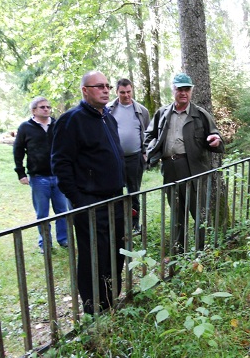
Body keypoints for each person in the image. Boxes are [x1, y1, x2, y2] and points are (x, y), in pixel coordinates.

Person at [51, 71, 126, 315]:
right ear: (85, 90)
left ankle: (111, 299)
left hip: (114, 198)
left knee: (116, 251)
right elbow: (61, 164)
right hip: (89, 202)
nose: (106, 90)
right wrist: (79, 199)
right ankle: (95, 308)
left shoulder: (108, 118)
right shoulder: (71, 120)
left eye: (107, 86)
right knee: (94, 254)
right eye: (99, 86)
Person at [144, 73, 224, 251]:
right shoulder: (162, 113)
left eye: (187, 89)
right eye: (179, 89)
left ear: (191, 91)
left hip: (194, 168)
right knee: (176, 212)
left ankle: (201, 252)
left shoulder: (200, 115)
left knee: (199, 212)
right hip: (170, 168)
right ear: (173, 89)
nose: (183, 93)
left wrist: (216, 140)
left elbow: (217, 137)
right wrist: (149, 149)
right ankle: (178, 252)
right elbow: (149, 135)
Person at [13, 96, 68, 254]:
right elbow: (18, 150)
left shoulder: (57, 125)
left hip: (58, 175)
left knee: (62, 211)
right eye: (42, 107)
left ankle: (63, 239)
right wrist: (21, 173)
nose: (46, 109)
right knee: (42, 213)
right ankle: (45, 243)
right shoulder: (25, 128)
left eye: (48, 107)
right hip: (38, 177)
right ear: (34, 110)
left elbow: (66, 147)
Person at [107, 78, 150, 232]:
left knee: (134, 192)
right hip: (114, 159)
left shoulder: (141, 110)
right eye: (122, 92)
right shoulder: (108, 109)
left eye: (129, 92)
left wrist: (146, 152)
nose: (126, 95)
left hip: (134, 158)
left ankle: (134, 224)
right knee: (115, 191)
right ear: (116, 92)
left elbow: (147, 133)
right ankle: (117, 224)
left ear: (132, 90)